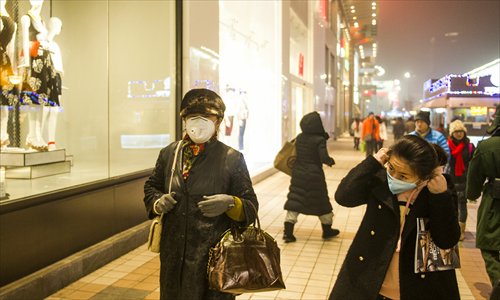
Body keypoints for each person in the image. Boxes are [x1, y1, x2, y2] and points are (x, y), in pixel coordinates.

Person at [143, 88, 259, 300]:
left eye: (206, 117)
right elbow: (152, 186)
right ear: (184, 120)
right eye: (192, 116)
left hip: (213, 259)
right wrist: (157, 202)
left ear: (218, 121)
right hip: (173, 256)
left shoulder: (232, 158)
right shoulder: (170, 153)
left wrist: (231, 203)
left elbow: (251, 206)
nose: (199, 122)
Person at [329, 135, 460, 300]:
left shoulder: (439, 188)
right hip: (371, 281)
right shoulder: (381, 181)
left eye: (404, 176)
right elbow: (344, 196)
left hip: (419, 286)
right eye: (391, 168)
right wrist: (373, 162)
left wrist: (440, 197)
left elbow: (447, 240)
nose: (394, 178)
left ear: (424, 176)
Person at [283, 111, 339, 243]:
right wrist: (330, 161)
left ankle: (288, 233)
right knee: (321, 201)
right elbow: (323, 157)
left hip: (299, 173)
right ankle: (327, 230)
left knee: (295, 200)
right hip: (315, 175)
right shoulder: (319, 140)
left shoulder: (300, 137)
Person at [466, 104, 500, 298]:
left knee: (489, 244)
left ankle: (498, 283)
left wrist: (472, 194)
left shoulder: (487, 146)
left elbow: (475, 175)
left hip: (494, 202)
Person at [447, 119, 475, 241]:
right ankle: (452, 230)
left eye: (461, 131)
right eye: (456, 131)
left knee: (462, 205)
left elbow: (473, 164)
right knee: (451, 205)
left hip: (464, 179)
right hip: (450, 179)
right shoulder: (447, 145)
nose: (459, 134)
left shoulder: (469, 146)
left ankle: (461, 231)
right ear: (452, 133)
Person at [1, 0, 17, 149]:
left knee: (5, 103)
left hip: (4, 63)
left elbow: (11, 48)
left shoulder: (10, 22)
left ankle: (3, 136)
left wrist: (15, 71)